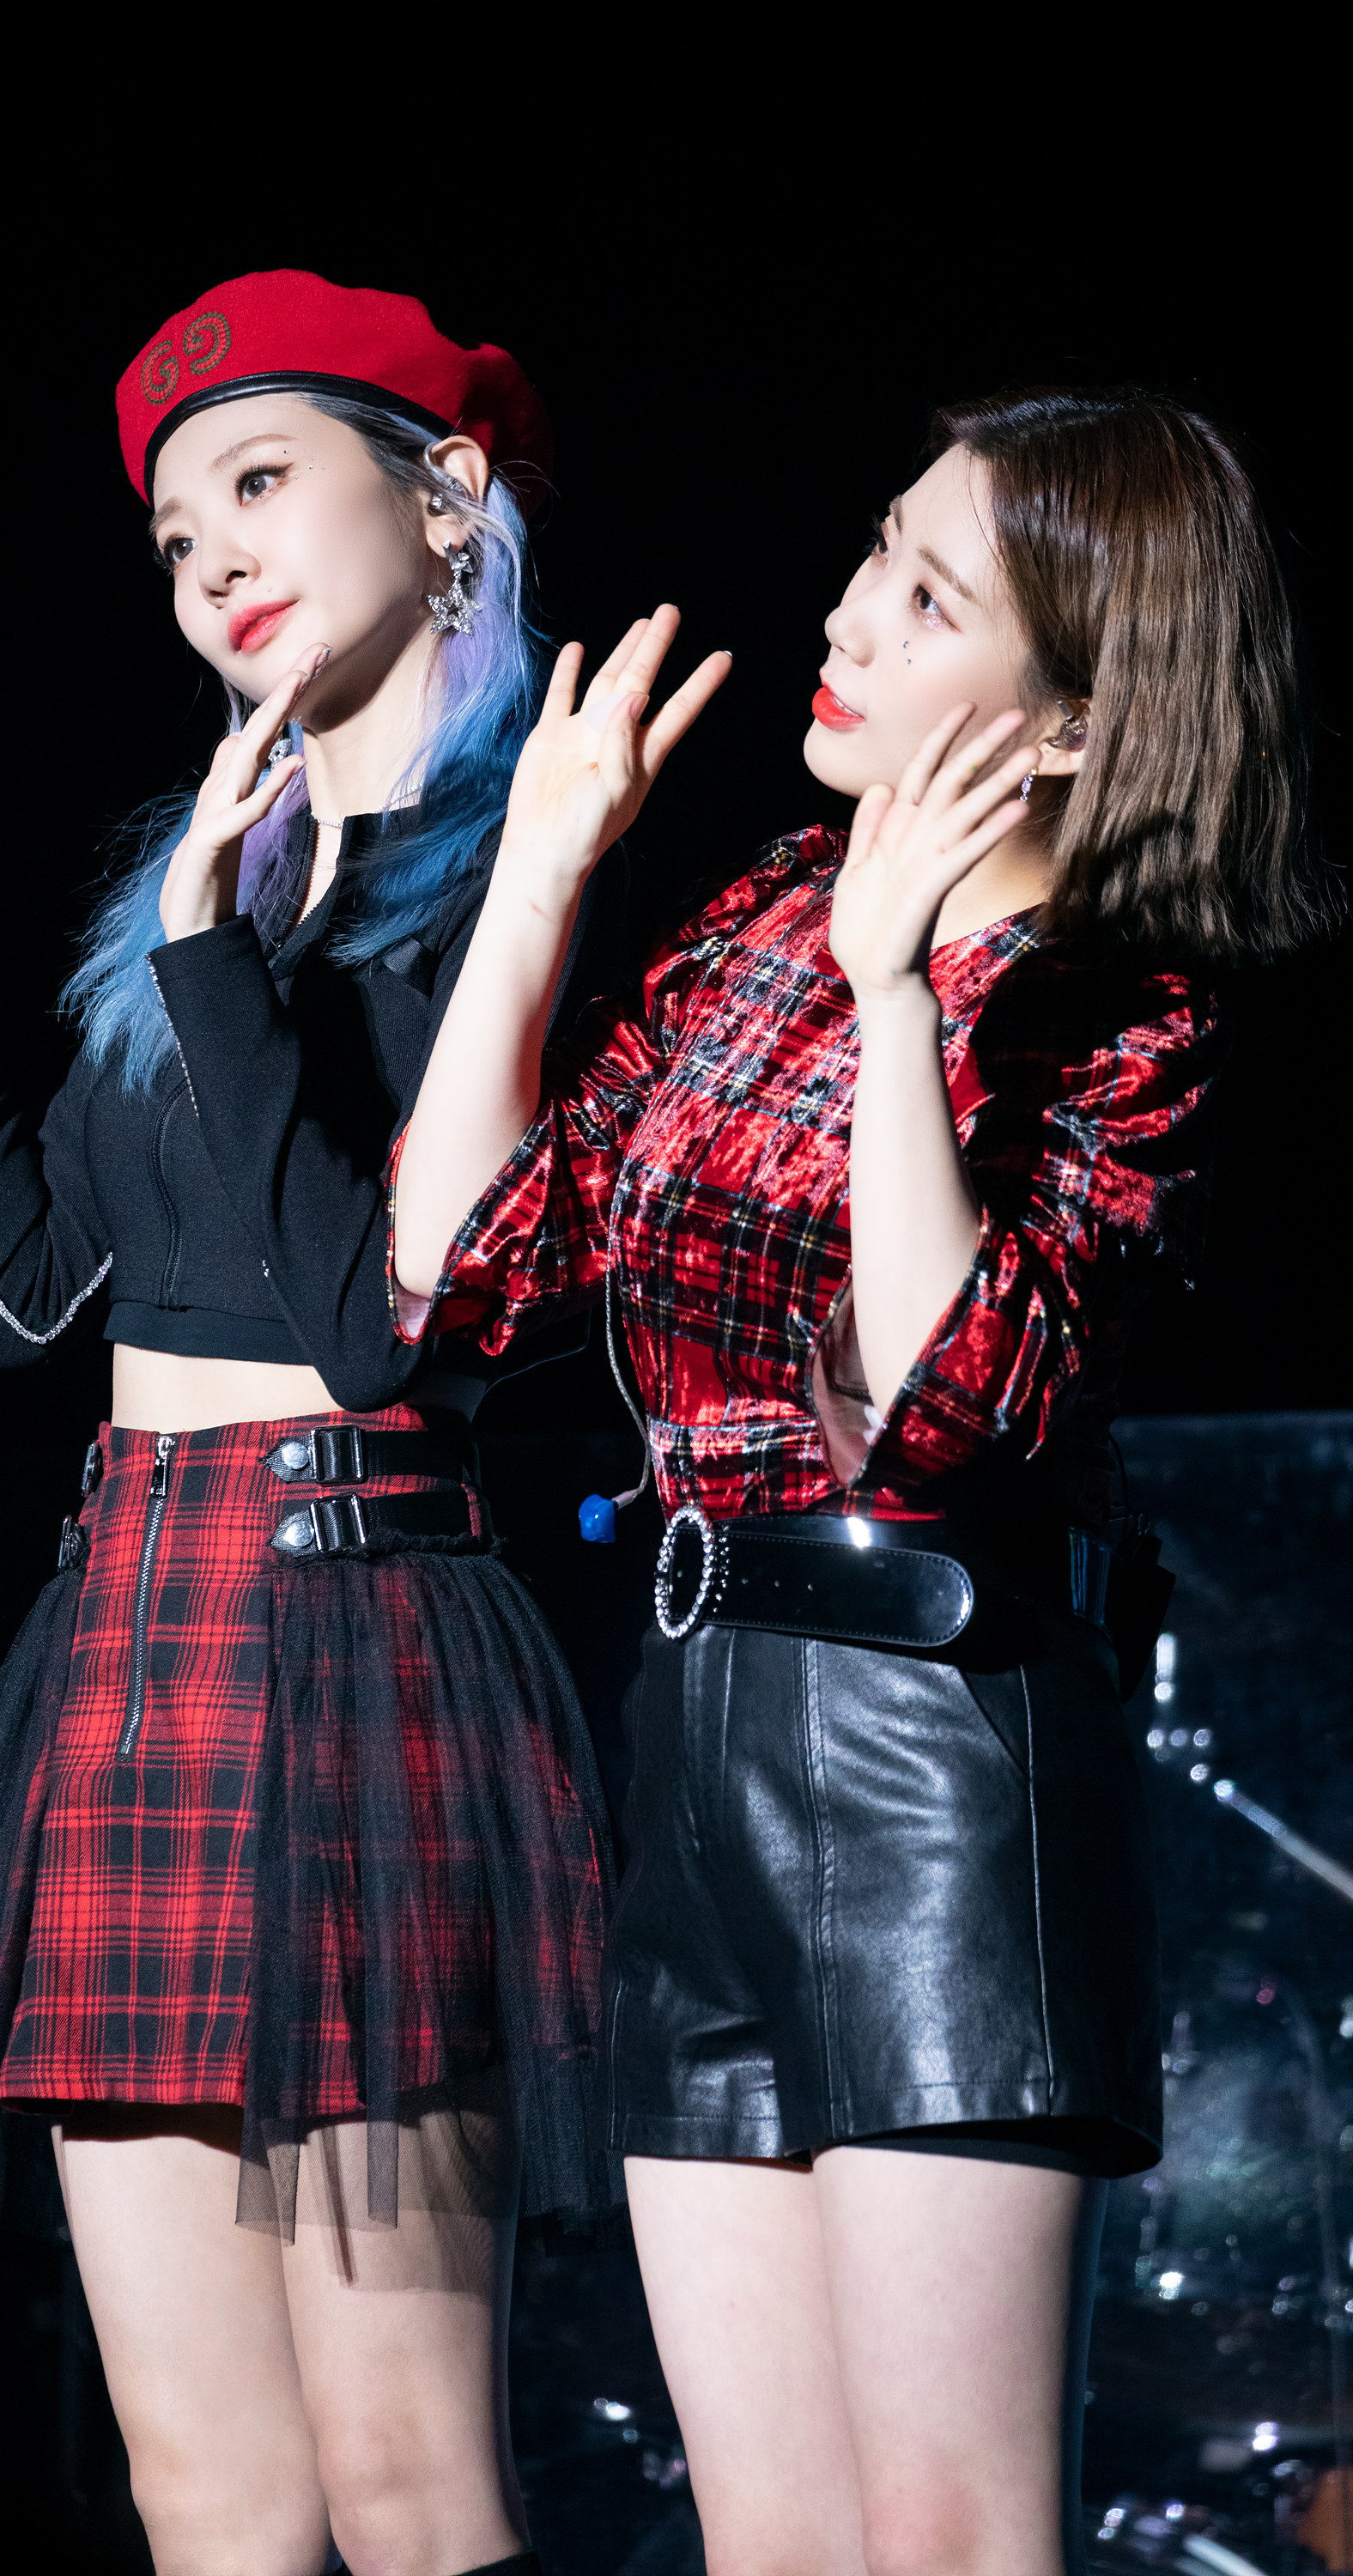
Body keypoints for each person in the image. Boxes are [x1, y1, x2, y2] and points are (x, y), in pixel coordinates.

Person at [391, 388, 1321, 2576]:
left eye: (927, 597)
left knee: (944, 2540)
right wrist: (538, 871)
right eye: (874, 554)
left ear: (1070, 721)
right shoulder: (758, 915)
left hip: (933, 1756)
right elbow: (453, 1278)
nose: (849, 617)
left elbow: (940, 1414)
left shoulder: (1123, 1008)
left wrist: (900, 1001)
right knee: (770, 2541)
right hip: (697, 1735)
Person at [0, 269, 650, 2576]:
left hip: (357, 1610)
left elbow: (375, 1324)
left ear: (446, 494)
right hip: (128, 1635)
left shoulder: (518, 854)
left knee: (403, 2479)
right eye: (175, 536)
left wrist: (203, 953)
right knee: (205, 2493)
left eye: (259, 484)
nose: (208, 564)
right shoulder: (198, 888)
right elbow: (24, 1299)